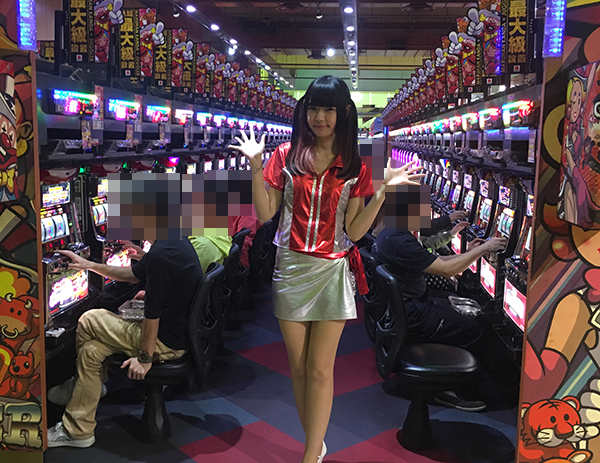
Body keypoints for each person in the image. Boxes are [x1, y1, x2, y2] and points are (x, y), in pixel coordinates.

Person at [229, 75, 423, 463]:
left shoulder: (354, 165)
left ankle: (309, 455)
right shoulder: (285, 155)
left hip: (332, 270)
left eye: (328, 109)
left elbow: (355, 231)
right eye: (313, 108)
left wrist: (383, 192)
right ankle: (315, 445)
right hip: (290, 267)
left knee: (319, 370)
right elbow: (266, 215)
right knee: (299, 368)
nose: (319, 117)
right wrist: (254, 167)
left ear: (344, 113)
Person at [46, 238, 203, 448]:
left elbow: (152, 315)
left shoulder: (161, 254)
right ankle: (78, 431)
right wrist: (89, 265)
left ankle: (80, 385)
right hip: (178, 334)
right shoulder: (174, 240)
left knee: (89, 319)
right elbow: (132, 275)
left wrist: (145, 359)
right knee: (91, 352)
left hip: (165, 342)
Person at [372, 223, 506, 411]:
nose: (427, 213)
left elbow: (436, 260)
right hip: (414, 313)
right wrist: (484, 249)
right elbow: (446, 270)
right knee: (475, 327)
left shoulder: (393, 232)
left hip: (406, 307)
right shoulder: (401, 241)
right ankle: (455, 391)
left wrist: (468, 253)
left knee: (460, 305)